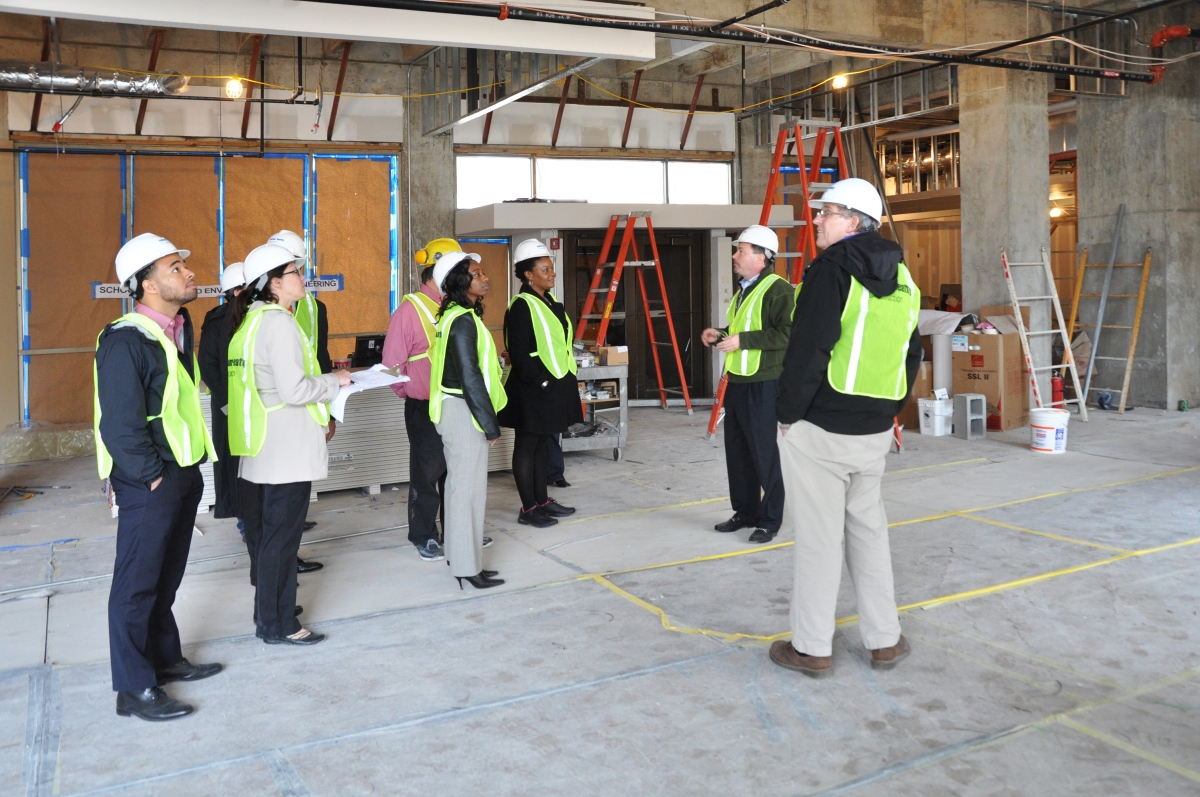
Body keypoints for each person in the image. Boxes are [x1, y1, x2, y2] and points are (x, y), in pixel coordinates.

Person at [769, 178, 921, 678]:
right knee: (869, 532)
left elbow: (809, 348)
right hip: (874, 427)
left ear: (854, 221)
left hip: (821, 428)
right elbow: (910, 352)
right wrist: (892, 411)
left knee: (818, 539)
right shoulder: (903, 279)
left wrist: (787, 415)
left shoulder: (830, 271)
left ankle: (812, 647)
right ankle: (885, 639)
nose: (816, 219)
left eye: (826, 212)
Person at [95, 233, 223, 721]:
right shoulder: (127, 340)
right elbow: (120, 424)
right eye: (175, 268)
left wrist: (182, 472)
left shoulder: (171, 331)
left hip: (182, 472)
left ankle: (165, 659)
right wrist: (151, 476)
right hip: (150, 479)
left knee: (165, 578)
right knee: (136, 584)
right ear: (146, 283)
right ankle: (133, 688)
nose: (189, 273)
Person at [228, 243, 352, 645]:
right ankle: (279, 625)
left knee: (269, 538)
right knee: (282, 540)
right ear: (275, 284)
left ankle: (269, 613)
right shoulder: (278, 323)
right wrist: (338, 381)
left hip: (265, 447)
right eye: (296, 272)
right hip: (286, 450)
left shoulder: (251, 321)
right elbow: (296, 390)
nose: (303, 278)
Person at [700, 225, 794, 544]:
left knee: (764, 455)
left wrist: (743, 340)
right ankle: (745, 511)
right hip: (738, 382)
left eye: (741, 250)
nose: (734, 255)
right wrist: (721, 335)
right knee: (738, 453)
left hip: (764, 384)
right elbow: (743, 331)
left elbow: (789, 332)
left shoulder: (779, 289)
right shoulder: (744, 289)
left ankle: (770, 520)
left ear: (762, 256)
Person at [428, 251, 507, 589]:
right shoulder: (462, 320)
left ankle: (468, 561)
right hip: (463, 412)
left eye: (483, 271)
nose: (484, 277)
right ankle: (465, 566)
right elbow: (470, 376)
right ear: (460, 282)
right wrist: (489, 423)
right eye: (477, 274)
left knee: (465, 489)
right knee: (465, 492)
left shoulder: (458, 315)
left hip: (458, 409)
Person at [381, 238, 457, 562]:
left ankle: (458, 531)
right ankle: (424, 534)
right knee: (427, 474)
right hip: (424, 406)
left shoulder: (454, 307)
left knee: (456, 470)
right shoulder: (409, 310)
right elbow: (391, 367)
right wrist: (411, 392)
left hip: (454, 403)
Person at [498, 238, 581, 528]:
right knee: (527, 444)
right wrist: (544, 383)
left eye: (552, 268)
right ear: (528, 274)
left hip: (554, 386)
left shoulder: (550, 303)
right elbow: (520, 354)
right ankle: (528, 509)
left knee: (542, 444)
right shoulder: (521, 306)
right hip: (533, 389)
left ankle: (542, 501)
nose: (552, 273)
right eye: (545, 269)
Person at [266, 230, 329, 567]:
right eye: (296, 271)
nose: (303, 277)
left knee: (292, 498)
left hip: (307, 407)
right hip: (279, 417)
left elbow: (320, 355)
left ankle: (287, 556)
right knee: (277, 505)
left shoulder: (313, 308)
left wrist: (327, 409)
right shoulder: (261, 316)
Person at [198, 262, 246, 523]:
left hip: (255, 404)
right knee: (233, 463)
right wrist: (227, 403)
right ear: (236, 291)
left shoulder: (258, 316)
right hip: (229, 406)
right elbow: (207, 365)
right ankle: (245, 522)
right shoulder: (217, 322)